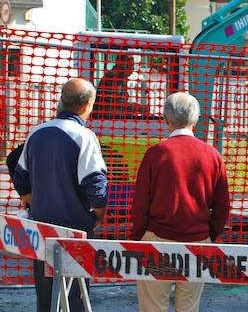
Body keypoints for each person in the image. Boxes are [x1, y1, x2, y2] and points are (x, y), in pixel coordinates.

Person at [13, 78, 109, 312]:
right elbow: (96, 185)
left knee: (45, 297)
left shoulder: (37, 132)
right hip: (74, 231)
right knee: (75, 297)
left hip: (40, 229)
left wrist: (30, 198)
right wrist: (98, 216)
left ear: (61, 101)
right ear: (87, 105)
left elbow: (20, 175)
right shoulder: (84, 137)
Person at [131, 92, 230, 312]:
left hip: (157, 239)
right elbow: (222, 206)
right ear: (195, 120)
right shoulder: (213, 155)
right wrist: (210, 235)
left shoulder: (156, 154)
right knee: (188, 306)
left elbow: (140, 203)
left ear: (167, 119)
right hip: (197, 240)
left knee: (152, 306)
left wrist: (137, 236)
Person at [94, 54, 135, 119]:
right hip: (104, 119)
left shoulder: (121, 79)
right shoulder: (111, 78)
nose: (133, 69)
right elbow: (115, 104)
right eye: (131, 66)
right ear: (122, 65)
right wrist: (135, 107)